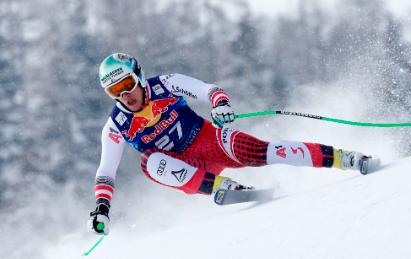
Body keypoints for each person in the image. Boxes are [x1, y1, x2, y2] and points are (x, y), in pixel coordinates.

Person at [88, 53, 376, 235]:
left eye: (126, 83)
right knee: (149, 164)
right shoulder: (116, 126)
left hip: (210, 141)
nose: (125, 94)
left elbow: (208, 90)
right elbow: (105, 172)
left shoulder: (165, 84)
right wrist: (102, 209)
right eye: (114, 90)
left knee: (266, 151)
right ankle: (221, 187)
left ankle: (343, 158)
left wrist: (220, 104)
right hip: (189, 168)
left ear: (137, 75)